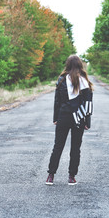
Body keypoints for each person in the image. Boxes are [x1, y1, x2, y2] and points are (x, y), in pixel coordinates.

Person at [46, 55, 93, 185]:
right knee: (75, 148)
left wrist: (56, 118)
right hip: (79, 118)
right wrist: (87, 122)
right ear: (80, 65)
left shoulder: (61, 80)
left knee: (58, 146)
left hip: (63, 116)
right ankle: (71, 177)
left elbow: (57, 101)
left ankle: (50, 176)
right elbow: (88, 103)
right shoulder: (85, 82)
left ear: (67, 65)